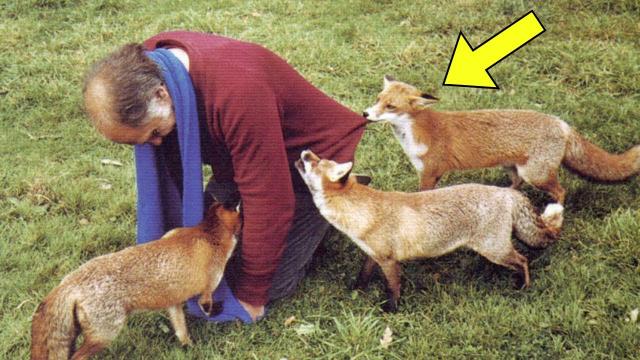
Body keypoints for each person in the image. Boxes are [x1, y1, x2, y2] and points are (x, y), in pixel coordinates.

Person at [83, 31, 367, 322]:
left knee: (253, 282)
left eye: (155, 133)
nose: (155, 146)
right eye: (141, 143)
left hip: (308, 166)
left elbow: (270, 200)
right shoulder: (150, 65)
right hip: (239, 158)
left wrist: (252, 294)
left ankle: (329, 207)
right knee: (201, 258)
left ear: (161, 94)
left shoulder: (239, 92)